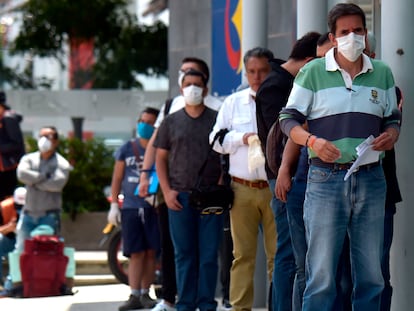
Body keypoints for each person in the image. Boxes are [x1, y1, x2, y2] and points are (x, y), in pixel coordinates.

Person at [279, 3, 400, 311]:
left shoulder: (382, 72)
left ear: (366, 32)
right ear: (332, 38)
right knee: (321, 277)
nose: (352, 37)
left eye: (357, 30)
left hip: (371, 178)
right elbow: (287, 119)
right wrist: (313, 141)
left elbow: (392, 117)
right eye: (344, 32)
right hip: (324, 179)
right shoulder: (313, 72)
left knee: (372, 275)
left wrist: (393, 134)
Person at [139, 57, 223, 311]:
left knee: (209, 255)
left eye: (197, 85)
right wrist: (166, 190)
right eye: (188, 84)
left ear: (205, 90)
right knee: (183, 255)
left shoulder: (217, 119)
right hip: (178, 197)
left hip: (210, 197)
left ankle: (206, 303)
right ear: (181, 88)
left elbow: (224, 154)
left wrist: (219, 186)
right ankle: (184, 304)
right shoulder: (170, 121)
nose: (193, 89)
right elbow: (160, 157)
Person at [255, 32, 321, 311]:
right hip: (285, 177)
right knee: (288, 254)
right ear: (308, 60)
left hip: (300, 174)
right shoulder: (275, 86)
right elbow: (282, 133)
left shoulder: (287, 81)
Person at [210, 47, 277, 311]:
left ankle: (279, 305)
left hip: (274, 187)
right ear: (245, 71)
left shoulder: (281, 99)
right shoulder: (233, 102)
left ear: (271, 70)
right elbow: (215, 140)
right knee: (242, 255)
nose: (257, 76)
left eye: (262, 71)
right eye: (251, 71)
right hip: (242, 188)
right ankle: (240, 308)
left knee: (278, 255)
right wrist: (242, 138)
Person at [108, 107, 161, 311]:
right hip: (131, 207)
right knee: (135, 253)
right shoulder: (126, 148)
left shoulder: (159, 148)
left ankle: (146, 293)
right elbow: (117, 178)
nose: (145, 125)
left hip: (152, 207)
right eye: (142, 121)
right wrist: (114, 204)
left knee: (150, 252)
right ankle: (134, 294)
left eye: (150, 122)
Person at [15, 126, 71, 251]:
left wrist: (33, 182)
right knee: (22, 252)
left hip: (49, 217)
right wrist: (44, 176)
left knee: (46, 254)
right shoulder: (28, 159)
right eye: (41, 136)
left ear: (56, 141)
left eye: (48, 137)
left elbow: (56, 184)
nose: (43, 140)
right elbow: (22, 175)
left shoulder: (62, 163)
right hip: (28, 215)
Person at [0, 91, 25, 201]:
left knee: (7, 200)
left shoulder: (8, 119)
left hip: (8, 167)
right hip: (4, 166)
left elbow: (16, 144)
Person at [0, 187, 26, 286]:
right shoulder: (3, 207)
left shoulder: (34, 208)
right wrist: (8, 228)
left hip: (24, 241)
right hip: (8, 240)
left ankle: (17, 283)